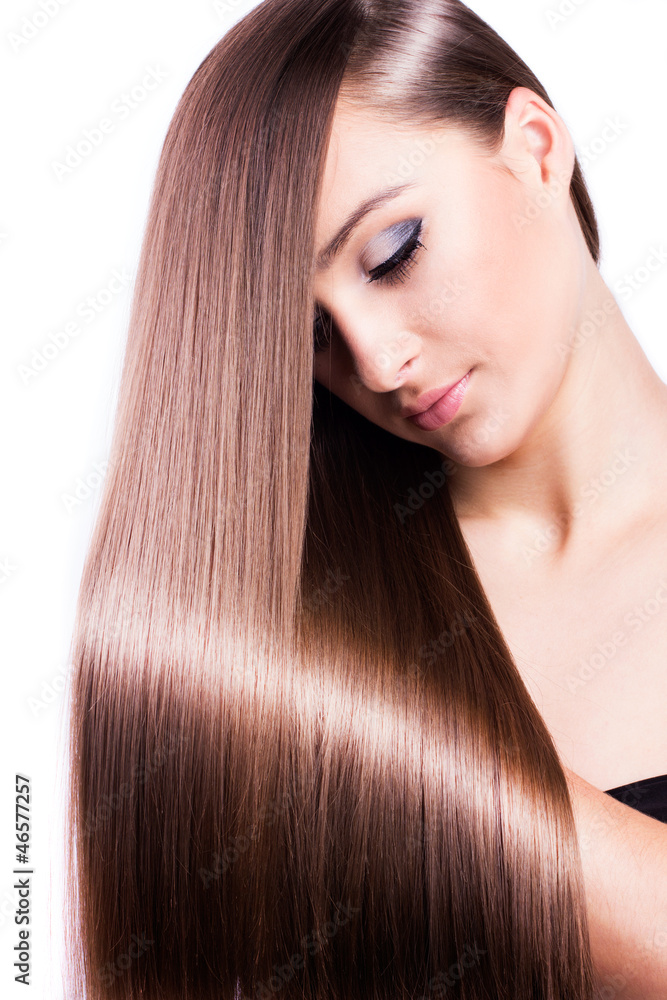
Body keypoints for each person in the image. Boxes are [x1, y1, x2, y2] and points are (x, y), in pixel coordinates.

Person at [63, 1, 667, 998]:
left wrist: (420, 783)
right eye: (311, 337)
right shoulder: (308, 634)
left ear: (534, 146)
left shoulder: (325, 700)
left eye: (393, 251)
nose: (379, 362)